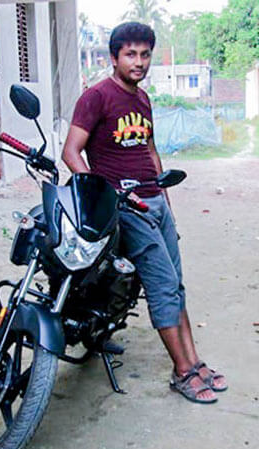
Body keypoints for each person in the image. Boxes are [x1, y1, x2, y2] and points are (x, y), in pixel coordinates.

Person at [61, 22, 227, 404]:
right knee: (162, 285)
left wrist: (166, 202)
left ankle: (194, 362)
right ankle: (182, 373)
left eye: (145, 54)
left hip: (156, 202)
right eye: (131, 54)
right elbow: (71, 152)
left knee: (177, 284)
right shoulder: (96, 97)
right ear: (114, 57)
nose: (139, 62)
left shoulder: (143, 100)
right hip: (126, 208)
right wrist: (103, 197)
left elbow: (150, 152)